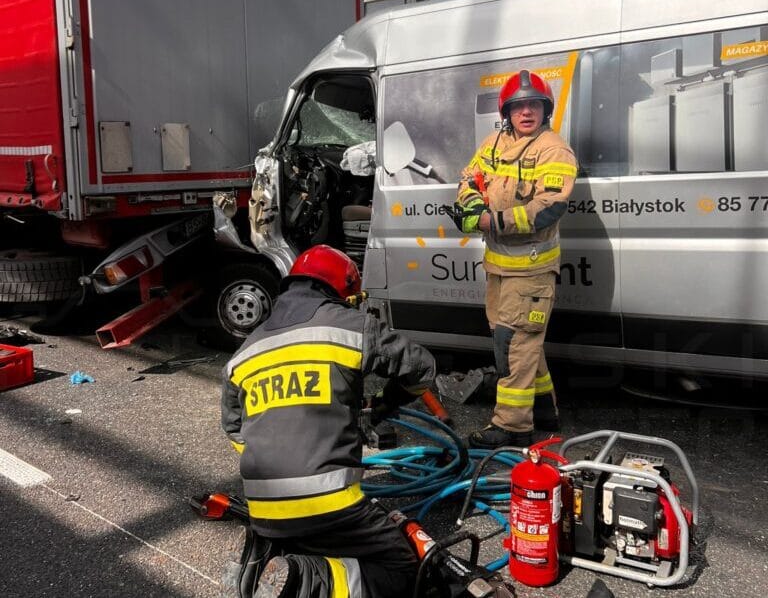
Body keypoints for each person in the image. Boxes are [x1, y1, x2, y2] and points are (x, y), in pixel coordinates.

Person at [221, 244, 436, 597]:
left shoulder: (244, 353)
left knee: (312, 538)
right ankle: (304, 579)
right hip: (330, 505)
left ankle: (260, 559)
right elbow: (422, 369)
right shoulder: (352, 327)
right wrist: (384, 405)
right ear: (343, 291)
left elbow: (234, 431)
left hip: (262, 509)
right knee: (400, 569)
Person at [454, 70, 578, 449]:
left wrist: (491, 221)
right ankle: (543, 410)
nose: (526, 112)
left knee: (514, 345)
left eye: (534, 105)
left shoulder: (554, 150)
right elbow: (469, 179)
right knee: (519, 343)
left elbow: (548, 208)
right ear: (506, 112)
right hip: (499, 267)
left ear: (545, 110)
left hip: (532, 271)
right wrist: (472, 205)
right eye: (518, 105)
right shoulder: (494, 144)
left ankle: (512, 425)